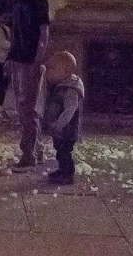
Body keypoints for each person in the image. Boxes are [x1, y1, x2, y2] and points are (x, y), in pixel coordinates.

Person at [5, 0, 49, 172]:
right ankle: (36, 147)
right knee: (23, 107)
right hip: (18, 59)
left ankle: (29, 152)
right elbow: (16, 33)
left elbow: (43, 33)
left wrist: (37, 59)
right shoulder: (18, 1)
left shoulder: (38, 1)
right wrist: (10, 58)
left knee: (27, 108)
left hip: (30, 60)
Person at [43, 50, 84, 185]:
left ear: (66, 72)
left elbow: (69, 111)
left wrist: (59, 124)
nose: (49, 71)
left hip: (67, 130)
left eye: (53, 69)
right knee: (59, 150)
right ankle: (62, 170)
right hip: (59, 130)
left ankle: (68, 174)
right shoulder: (59, 85)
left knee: (64, 152)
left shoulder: (71, 90)